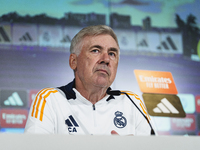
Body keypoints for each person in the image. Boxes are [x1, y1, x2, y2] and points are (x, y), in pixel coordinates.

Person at [25, 25, 153, 135]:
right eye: (96, 50)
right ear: (73, 61)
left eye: (112, 53)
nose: (106, 59)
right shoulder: (50, 100)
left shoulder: (132, 102)